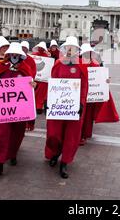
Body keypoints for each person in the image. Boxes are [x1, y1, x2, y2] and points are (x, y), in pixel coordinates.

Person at [45, 36, 88, 179]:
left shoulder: (82, 67)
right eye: (68, 48)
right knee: (54, 133)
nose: (70, 50)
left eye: (73, 48)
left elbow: (84, 88)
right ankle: (55, 152)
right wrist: (47, 100)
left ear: (77, 50)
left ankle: (65, 162)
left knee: (71, 136)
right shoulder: (58, 64)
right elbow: (52, 84)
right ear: (64, 49)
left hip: (74, 107)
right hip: (58, 106)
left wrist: (81, 103)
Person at [0, 42, 36, 176]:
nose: (14, 56)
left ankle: (13, 154)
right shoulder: (1, 66)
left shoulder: (25, 67)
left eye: (17, 54)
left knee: (17, 134)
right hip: (3, 109)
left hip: (20, 110)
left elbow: (31, 86)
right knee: (3, 135)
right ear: (8, 55)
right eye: (12, 54)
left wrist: (34, 85)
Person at [79, 43, 119, 145]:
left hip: (92, 96)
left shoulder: (95, 64)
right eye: (85, 53)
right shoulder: (77, 64)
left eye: (89, 53)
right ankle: (78, 135)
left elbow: (100, 78)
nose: (87, 54)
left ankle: (84, 135)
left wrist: (106, 80)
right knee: (80, 117)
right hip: (80, 94)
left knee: (88, 117)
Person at [21, 41, 38, 131]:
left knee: (30, 105)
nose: (23, 50)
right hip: (18, 86)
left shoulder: (30, 60)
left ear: (27, 50)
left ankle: (30, 124)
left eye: (25, 48)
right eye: (22, 48)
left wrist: (29, 80)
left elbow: (33, 72)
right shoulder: (17, 57)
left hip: (28, 85)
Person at [31, 41, 52, 116]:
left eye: (42, 48)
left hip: (43, 79)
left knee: (42, 94)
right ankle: (36, 106)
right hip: (36, 78)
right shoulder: (34, 55)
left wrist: (49, 57)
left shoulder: (47, 56)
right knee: (35, 93)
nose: (40, 49)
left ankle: (39, 107)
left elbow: (49, 65)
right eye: (39, 47)